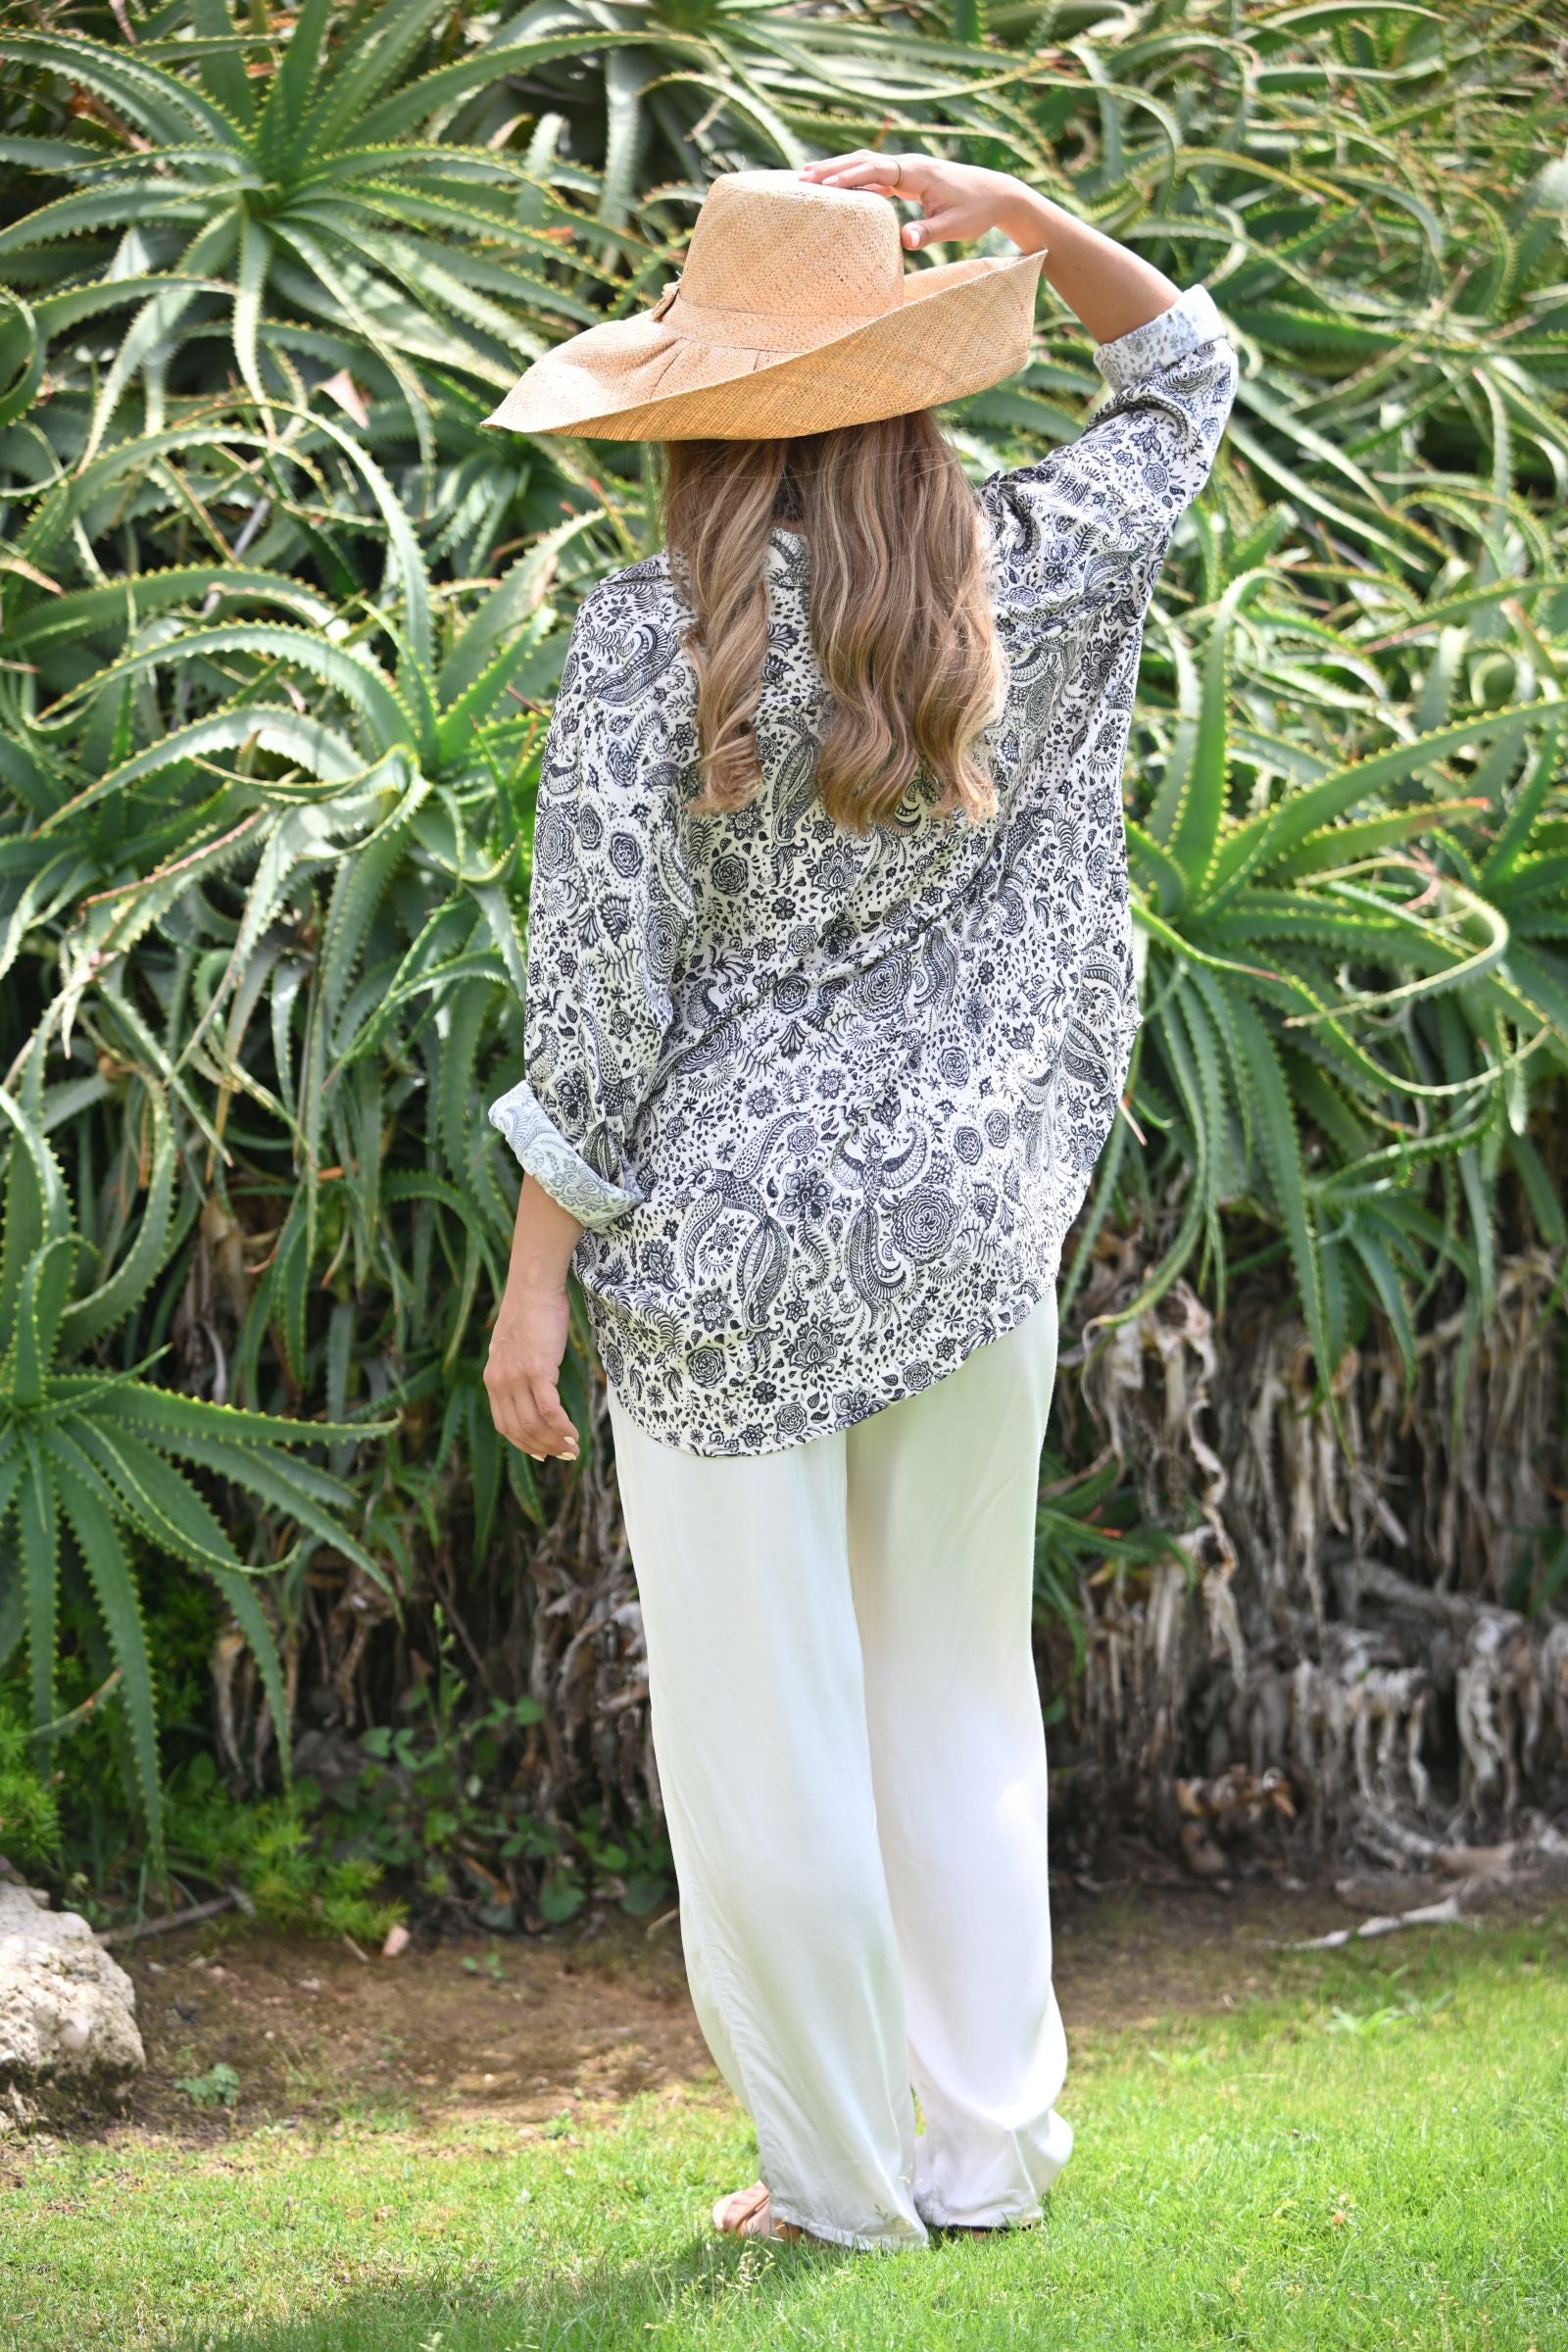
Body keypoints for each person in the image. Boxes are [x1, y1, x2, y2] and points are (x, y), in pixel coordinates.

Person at [480, 154, 1238, 2252]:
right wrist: (1022, 213)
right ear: (908, 385)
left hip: (721, 1254)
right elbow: (1185, 374)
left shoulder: (643, 644)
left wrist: (535, 1281)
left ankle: (834, 2182)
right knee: (954, 1693)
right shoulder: (1023, 576)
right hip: (967, 1228)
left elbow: (597, 1000)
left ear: (701, 418)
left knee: (768, 1733)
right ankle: (984, 2151)